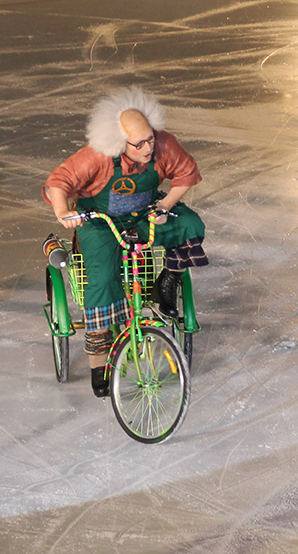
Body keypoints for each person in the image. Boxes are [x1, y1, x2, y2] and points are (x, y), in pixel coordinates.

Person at [43, 87, 208, 398]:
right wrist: (64, 211)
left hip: (145, 214)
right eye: (139, 144)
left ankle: (168, 280)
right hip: (100, 220)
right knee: (102, 279)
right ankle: (98, 363)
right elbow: (58, 182)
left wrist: (165, 206)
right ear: (121, 143)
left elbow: (186, 173)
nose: (148, 148)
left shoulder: (163, 145)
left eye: (150, 139)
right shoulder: (98, 156)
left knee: (189, 225)